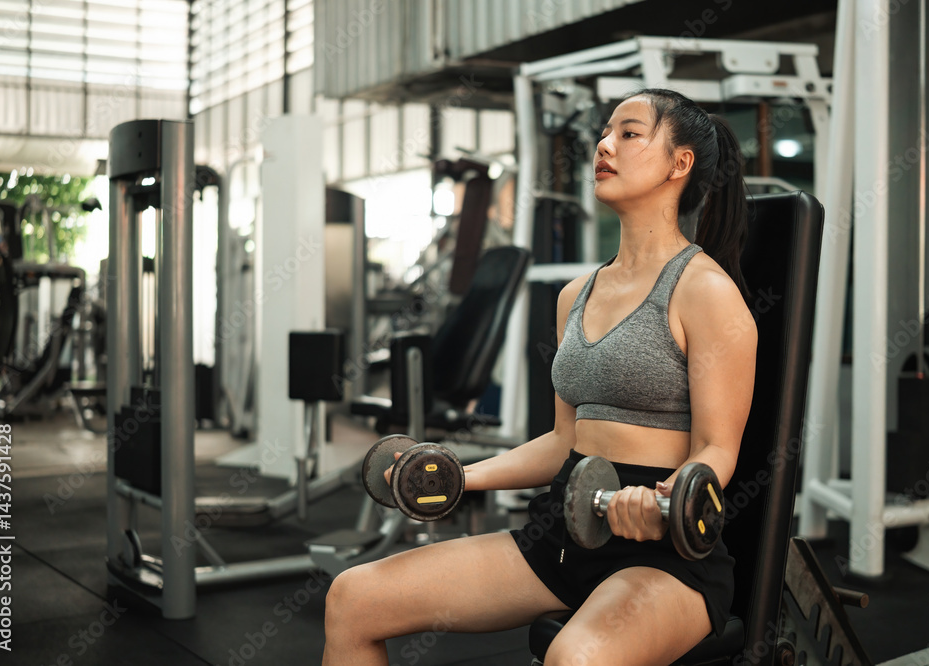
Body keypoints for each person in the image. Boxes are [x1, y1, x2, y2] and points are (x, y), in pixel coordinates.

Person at [323, 88, 758, 666]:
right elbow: (562, 442)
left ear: (680, 164)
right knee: (353, 598)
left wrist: (660, 501)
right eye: (604, 132)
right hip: (561, 534)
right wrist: (457, 478)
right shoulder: (575, 295)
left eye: (629, 133)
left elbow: (716, 449)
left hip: (663, 555)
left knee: (576, 658)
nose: (604, 145)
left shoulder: (705, 292)